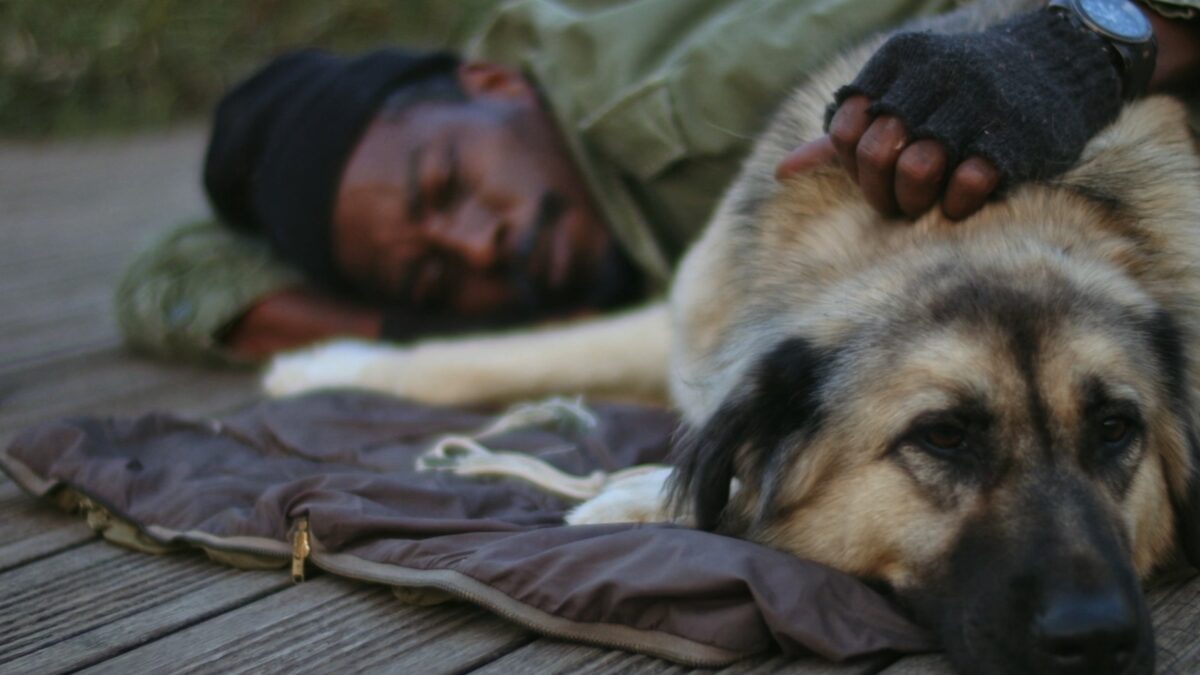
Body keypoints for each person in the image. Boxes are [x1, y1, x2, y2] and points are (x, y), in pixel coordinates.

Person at [116, 0, 1200, 366]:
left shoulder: (664, 81)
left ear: (486, 79)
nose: (477, 247)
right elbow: (170, 278)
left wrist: (1082, 42)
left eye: (447, 189)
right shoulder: (592, 239)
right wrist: (411, 333)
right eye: (432, 276)